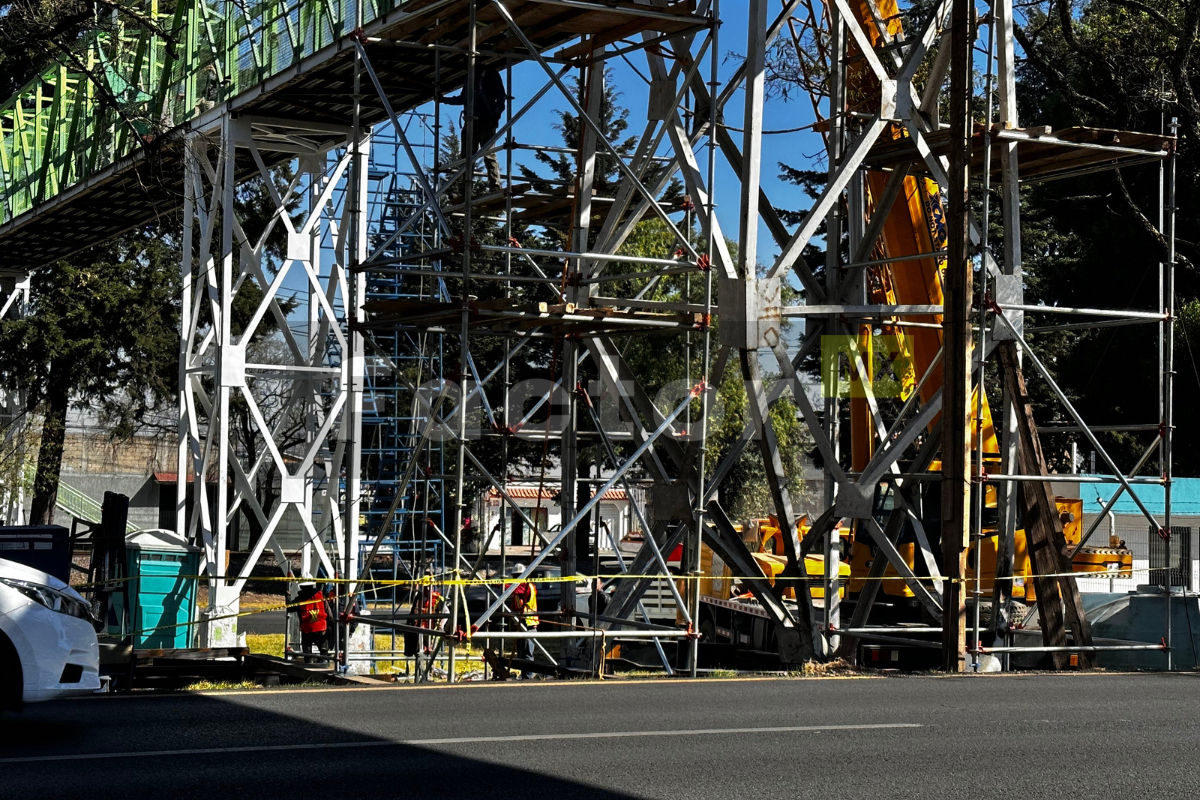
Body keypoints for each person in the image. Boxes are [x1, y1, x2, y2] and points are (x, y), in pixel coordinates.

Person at [440, 66, 512, 196]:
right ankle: (465, 189)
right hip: (470, 121)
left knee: (488, 154)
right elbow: (463, 99)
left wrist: (496, 115)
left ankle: (494, 187)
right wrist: (444, 100)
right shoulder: (470, 77)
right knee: (467, 157)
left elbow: (500, 97)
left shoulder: (490, 74)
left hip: (485, 120)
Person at [290, 581, 331, 663]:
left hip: (307, 629)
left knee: (307, 652)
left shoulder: (299, 599)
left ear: (301, 587)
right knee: (323, 651)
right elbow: (329, 613)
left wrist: (287, 597)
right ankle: (323, 663)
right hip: (321, 628)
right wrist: (331, 627)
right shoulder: (321, 596)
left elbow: (289, 608)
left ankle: (309, 664)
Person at [508, 563, 538, 666]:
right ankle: (524, 676)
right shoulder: (519, 587)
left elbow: (514, 589)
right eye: (515, 576)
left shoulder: (527, 587)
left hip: (528, 623)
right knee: (521, 653)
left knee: (527, 654)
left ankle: (528, 678)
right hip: (520, 623)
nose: (516, 578)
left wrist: (498, 583)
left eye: (518, 576)